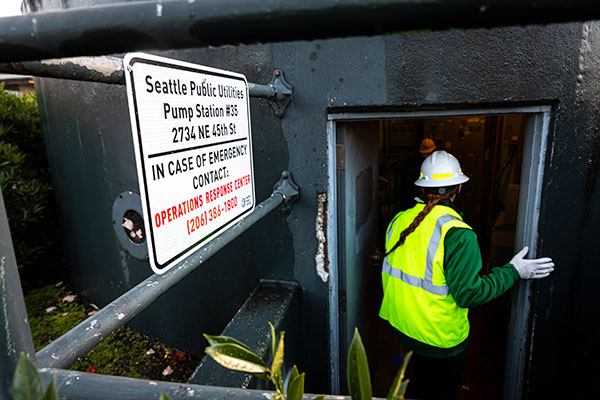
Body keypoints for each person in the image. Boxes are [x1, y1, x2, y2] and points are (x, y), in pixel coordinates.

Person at [379, 150, 554, 400]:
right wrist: (514, 271)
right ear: (459, 188)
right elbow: (469, 294)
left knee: (419, 386)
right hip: (439, 340)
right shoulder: (459, 233)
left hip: (404, 329)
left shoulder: (398, 221)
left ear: (422, 187)